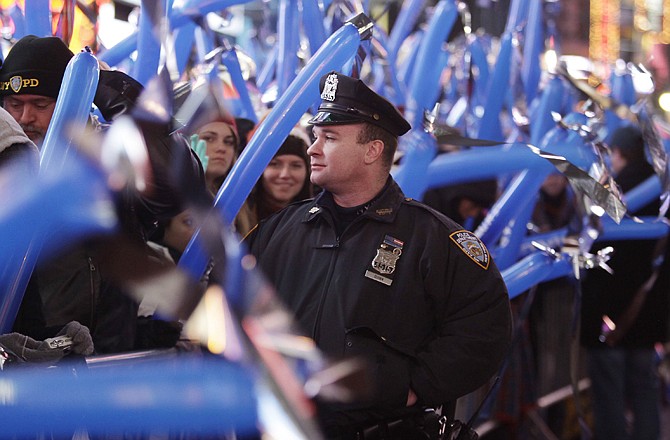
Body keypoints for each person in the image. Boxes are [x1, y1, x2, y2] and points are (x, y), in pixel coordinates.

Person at [245, 71, 512, 438]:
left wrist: (414, 386)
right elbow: (229, 304)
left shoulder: (432, 237)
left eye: (330, 138)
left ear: (373, 151)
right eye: (316, 136)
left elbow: (484, 327)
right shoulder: (280, 230)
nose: (313, 148)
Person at [2, 35, 206, 353]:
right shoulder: (7, 169)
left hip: (112, 362)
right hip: (32, 363)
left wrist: (105, 84)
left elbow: (177, 183)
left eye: (40, 105)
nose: (25, 118)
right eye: (14, 105)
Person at [580, 124, 668, 440]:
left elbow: (589, 246)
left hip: (608, 316)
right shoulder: (663, 194)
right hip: (648, 313)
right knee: (645, 390)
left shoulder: (612, 196)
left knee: (609, 394)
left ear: (618, 153)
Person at [237, 134, 312, 236]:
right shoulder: (237, 218)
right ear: (260, 171)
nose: (285, 174)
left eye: (296, 165)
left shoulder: (316, 219)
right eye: (275, 164)